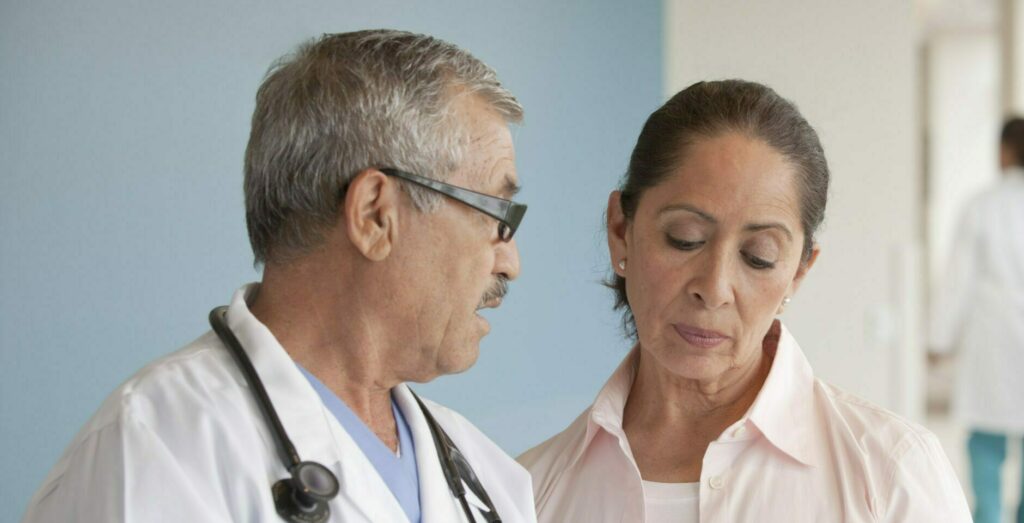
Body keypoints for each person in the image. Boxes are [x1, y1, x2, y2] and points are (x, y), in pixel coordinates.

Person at [23, 30, 535, 523]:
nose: (510, 263)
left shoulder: (489, 478)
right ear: (376, 215)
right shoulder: (154, 450)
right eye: (496, 216)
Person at [518, 80, 971, 522]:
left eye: (758, 258)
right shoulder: (530, 490)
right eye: (685, 239)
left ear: (798, 271)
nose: (714, 288)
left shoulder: (890, 475)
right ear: (621, 231)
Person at [929, 117, 1024, 523]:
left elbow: (958, 281)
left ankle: (987, 517)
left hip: (993, 342)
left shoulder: (982, 205)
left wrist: (938, 340)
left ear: (1003, 151)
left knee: (986, 448)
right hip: (999, 342)